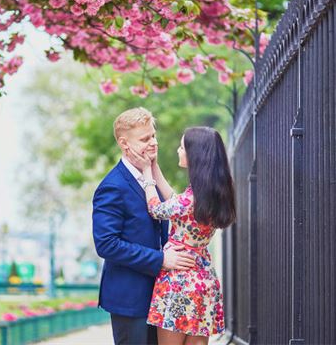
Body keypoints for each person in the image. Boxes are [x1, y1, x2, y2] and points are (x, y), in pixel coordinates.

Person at [93, 107, 199, 345]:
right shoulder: (112, 187)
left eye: (153, 135)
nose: (154, 143)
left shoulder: (150, 178)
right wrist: (161, 259)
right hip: (130, 299)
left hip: (161, 296)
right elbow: (106, 244)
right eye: (145, 139)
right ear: (124, 143)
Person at [128, 126, 236, 345]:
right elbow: (175, 203)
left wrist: (147, 173)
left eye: (182, 146)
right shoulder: (210, 194)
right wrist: (154, 166)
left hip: (179, 281)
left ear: (194, 155)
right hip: (203, 281)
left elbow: (157, 209)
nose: (179, 150)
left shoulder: (189, 202)